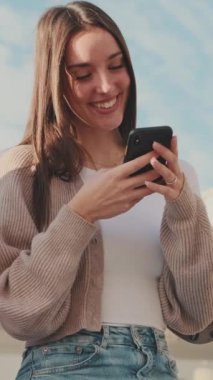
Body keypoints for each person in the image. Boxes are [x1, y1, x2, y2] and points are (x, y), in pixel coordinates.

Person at [0, 1, 212, 379]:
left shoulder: (177, 176)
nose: (106, 86)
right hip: (65, 365)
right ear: (54, 82)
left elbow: (199, 315)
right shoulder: (22, 171)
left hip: (159, 365)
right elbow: (18, 311)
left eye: (116, 66)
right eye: (83, 74)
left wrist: (183, 210)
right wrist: (80, 215)